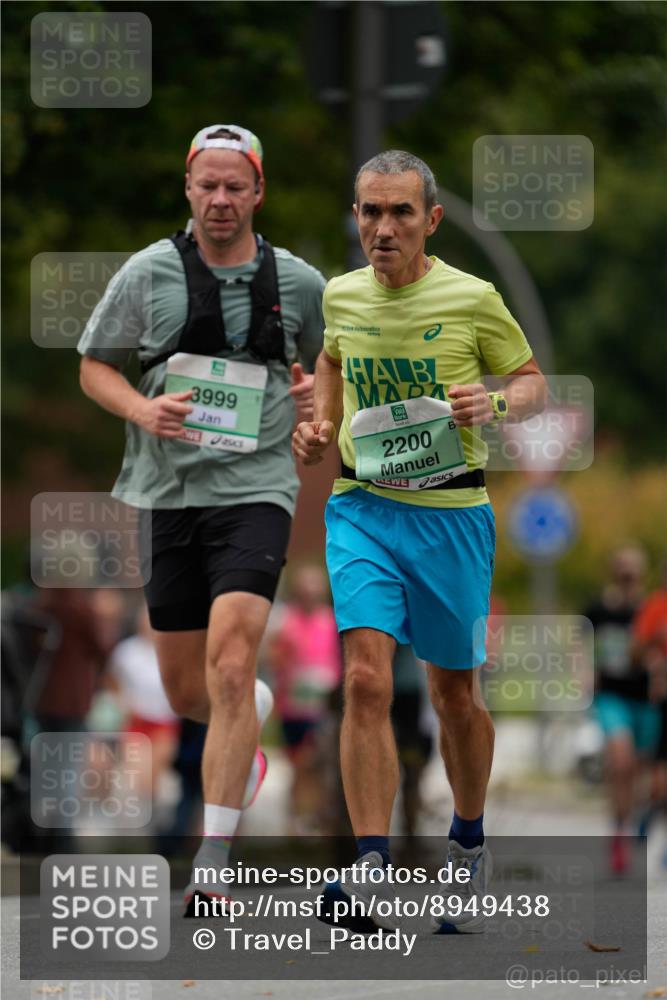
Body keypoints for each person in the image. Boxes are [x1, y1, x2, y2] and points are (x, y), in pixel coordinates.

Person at [293, 150, 547, 934]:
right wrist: (320, 425)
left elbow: (534, 382)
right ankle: (369, 865)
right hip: (363, 507)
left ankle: (467, 843)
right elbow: (331, 359)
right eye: (369, 211)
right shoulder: (339, 294)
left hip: (451, 515)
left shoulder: (472, 298)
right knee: (364, 680)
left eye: (400, 211)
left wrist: (493, 405)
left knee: (453, 698)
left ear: (430, 219)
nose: (382, 227)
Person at [78, 124, 326, 915]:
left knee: (229, 662)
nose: (221, 200)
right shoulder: (148, 272)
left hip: (255, 490)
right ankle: (245, 727)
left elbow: (333, 359)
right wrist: (143, 410)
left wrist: (317, 411)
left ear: (258, 192)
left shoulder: (298, 283)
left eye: (235, 186)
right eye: (207, 185)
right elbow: (93, 366)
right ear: (188, 188)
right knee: (192, 687)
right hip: (163, 496)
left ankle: (212, 868)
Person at [585, 545, 660, 875]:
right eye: (622, 570)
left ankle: (638, 821)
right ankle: (619, 832)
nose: (628, 576)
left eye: (633, 571)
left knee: (646, 777)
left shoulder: (653, 609)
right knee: (620, 761)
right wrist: (583, 673)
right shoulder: (598, 609)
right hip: (611, 696)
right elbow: (580, 645)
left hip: (649, 699)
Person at [267, 564, 342, 833]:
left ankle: (319, 817)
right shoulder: (285, 622)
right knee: (299, 763)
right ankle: (296, 818)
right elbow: (273, 659)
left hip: (323, 706)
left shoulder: (331, 621)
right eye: (306, 586)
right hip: (294, 706)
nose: (311, 592)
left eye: (315, 586)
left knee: (320, 762)